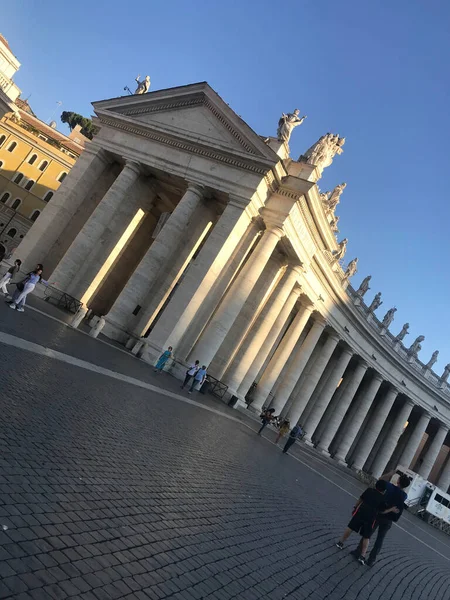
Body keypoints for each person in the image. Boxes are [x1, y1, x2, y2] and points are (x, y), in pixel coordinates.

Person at [350, 474, 410, 566]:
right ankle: (371, 560)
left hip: (379, 513)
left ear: (398, 481)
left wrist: (392, 473)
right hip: (389, 519)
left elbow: (381, 479)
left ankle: (359, 551)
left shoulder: (390, 486)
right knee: (380, 539)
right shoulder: (405, 495)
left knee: (368, 533)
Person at [335, 480, 399, 565]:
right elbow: (382, 511)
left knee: (351, 527)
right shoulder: (382, 498)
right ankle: (362, 555)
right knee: (366, 536)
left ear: (376, 485)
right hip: (371, 517)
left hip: (361, 511)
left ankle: (341, 542)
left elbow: (361, 499)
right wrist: (391, 509)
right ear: (384, 490)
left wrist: (355, 506)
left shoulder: (369, 490)